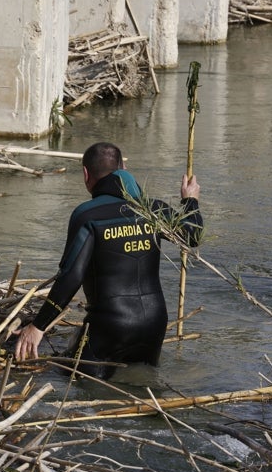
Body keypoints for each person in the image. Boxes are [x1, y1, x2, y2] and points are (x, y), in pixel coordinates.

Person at [14, 142, 203, 379]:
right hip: (154, 324)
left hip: (110, 325)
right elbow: (193, 236)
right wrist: (190, 201)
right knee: (143, 388)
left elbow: (71, 278)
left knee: (71, 378)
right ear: (123, 168)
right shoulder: (153, 210)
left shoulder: (88, 215)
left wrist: (38, 326)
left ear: (85, 175)